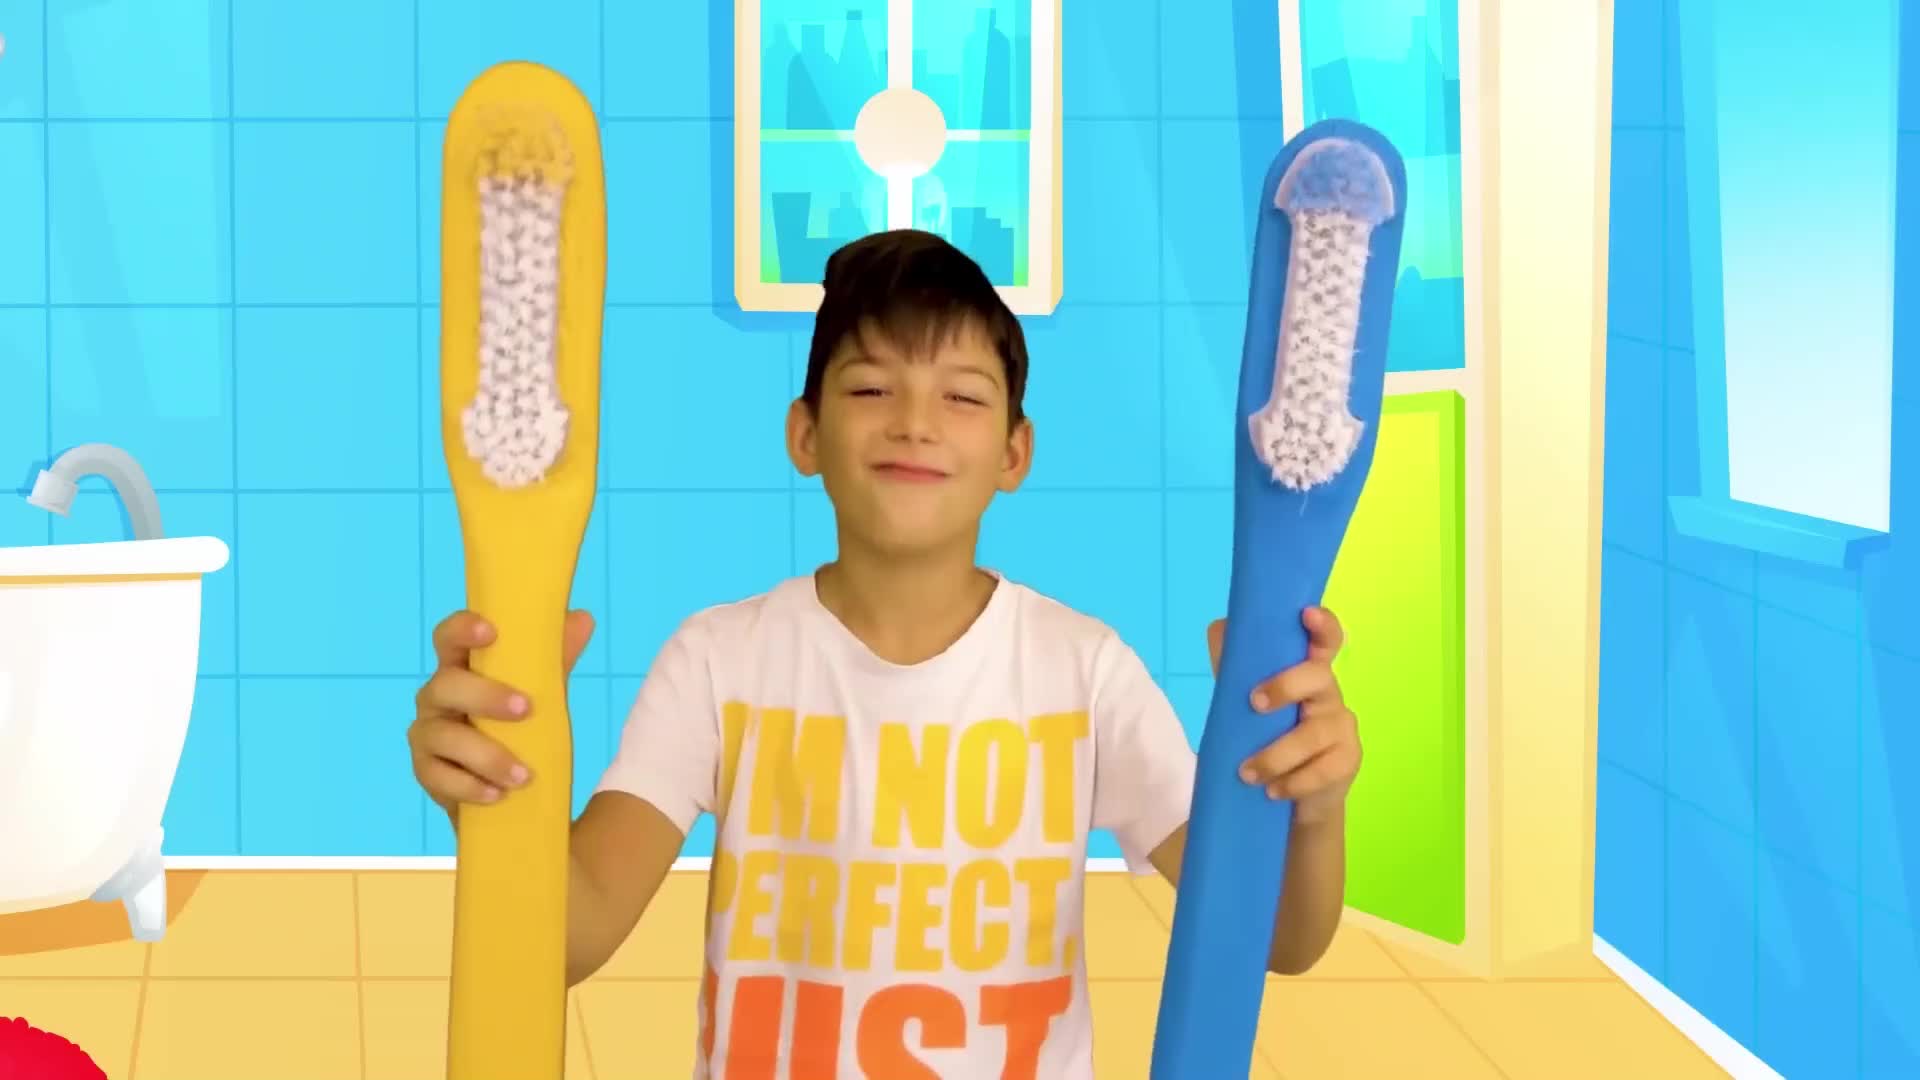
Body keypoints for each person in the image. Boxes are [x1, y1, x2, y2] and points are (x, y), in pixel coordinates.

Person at [407, 229, 1362, 1077]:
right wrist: (497, 800)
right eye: (871, 387)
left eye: (962, 395)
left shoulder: (1086, 673)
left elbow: (1272, 935)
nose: (915, 421)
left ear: (1015, 453)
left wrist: (1312, 814)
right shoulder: (718, 661)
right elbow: (564, 938)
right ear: (805, 433)